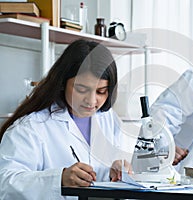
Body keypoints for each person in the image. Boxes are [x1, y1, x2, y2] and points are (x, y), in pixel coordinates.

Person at [0, 39, 130, 200]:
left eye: (101, 91)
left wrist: (115, 170)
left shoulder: (108, 119)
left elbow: (101, 173)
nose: (91, 100)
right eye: (81, 89)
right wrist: (59, 179)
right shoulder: (30, 127)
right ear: (62, 83)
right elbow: (5, 185)